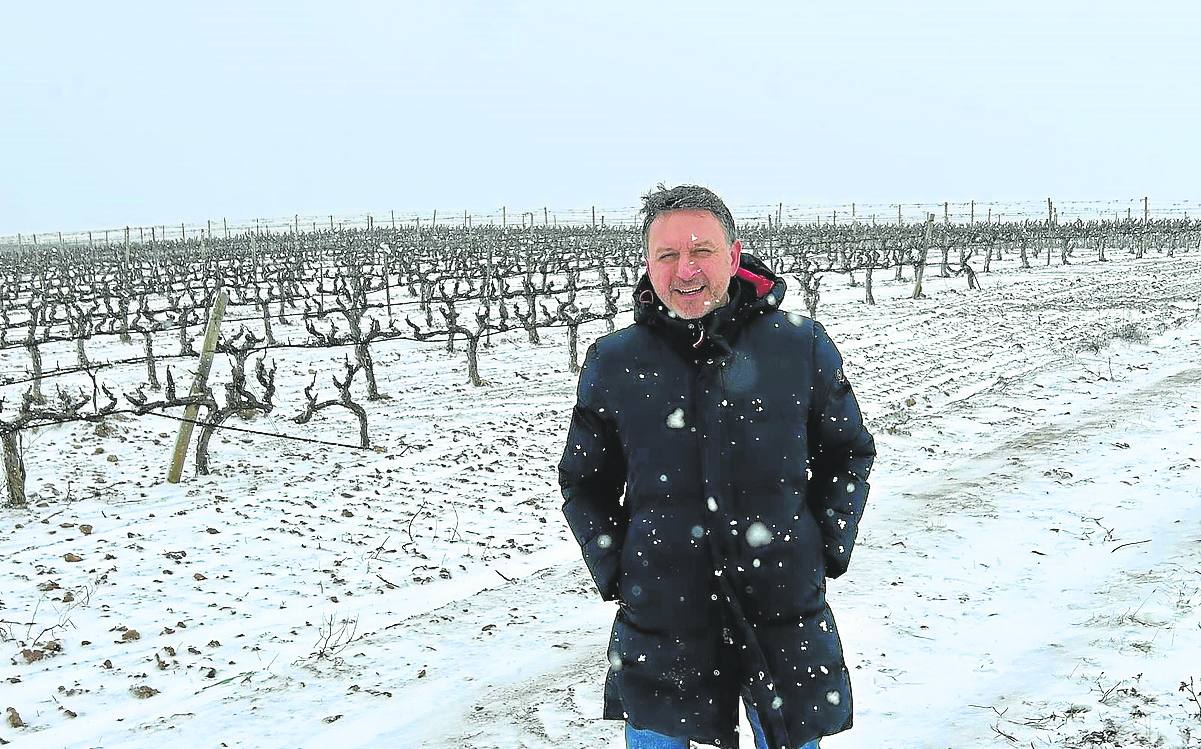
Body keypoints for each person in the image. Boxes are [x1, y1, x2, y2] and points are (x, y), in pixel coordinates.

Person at [559, 184, 876, 749]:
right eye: (668, 255)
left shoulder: (797, 346)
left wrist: (822, 545)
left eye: (701, 251)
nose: (686, 270)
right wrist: (619, 569)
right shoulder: (615, 360)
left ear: (733, 256)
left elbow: (848, 452)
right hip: (662, 618)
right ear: (648, 263)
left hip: (782, 607)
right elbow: (585, 482)